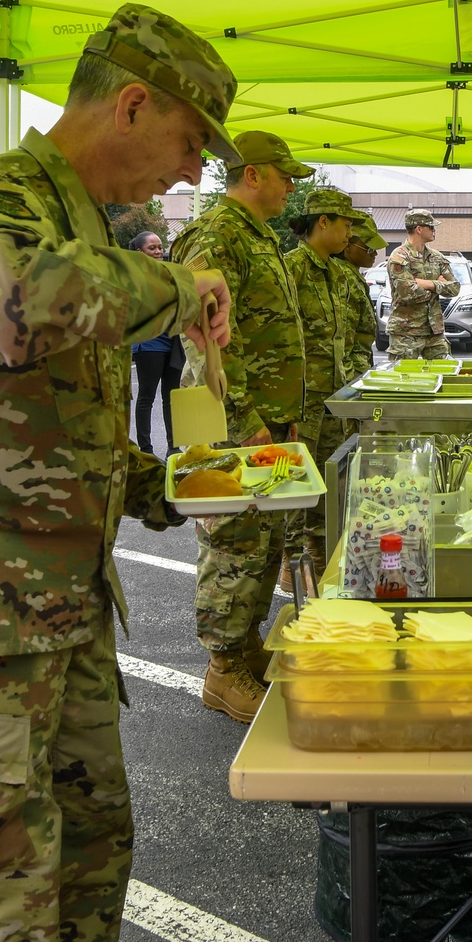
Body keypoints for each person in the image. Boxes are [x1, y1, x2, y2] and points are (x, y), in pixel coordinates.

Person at [0, 1, 237, 942]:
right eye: (191, 144)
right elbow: (16, 307)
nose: (192, 171)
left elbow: (59, 425)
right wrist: (184, 289)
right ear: (133, 105)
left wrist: (180, 481)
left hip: (64, 618)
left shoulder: (81, 223)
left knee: (88, 878)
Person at [171, 131, 312, 722]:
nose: (291, 188)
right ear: (252, 174)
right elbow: (200, 337)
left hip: (264, 420)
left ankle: (246, 646)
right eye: (284, 176)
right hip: (233, 420)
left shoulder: (255, 235)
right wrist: (246, 418)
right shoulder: (218, 234)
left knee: (263, 542)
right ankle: (222, 670)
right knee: (233, 543)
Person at [284, 187, 362, 575]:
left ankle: (319, 561)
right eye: (345, 224)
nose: (350, 233)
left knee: (329, 485)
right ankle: (289, 562)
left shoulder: (339, 274)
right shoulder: (291, 269)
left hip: (334, 395)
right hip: (302, 399)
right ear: (323, 222)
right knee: (296, 483)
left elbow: (349, 336)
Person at [130, 230, 186, 460]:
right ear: (138, 252)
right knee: (146, 397)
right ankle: (146, 449)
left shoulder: (169, 273)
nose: (158, 251)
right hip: (148, 345)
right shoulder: (133, 277)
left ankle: (174, 447)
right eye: (151, 248)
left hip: (172, 344)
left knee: (171, 397)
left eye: (160, 247)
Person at [386, 209, 460, 360]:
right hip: (406, 333)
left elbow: (454, 288)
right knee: (404, 378)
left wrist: (427, 284)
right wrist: (438, 285)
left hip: (434, 331)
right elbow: (408, 293)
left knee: (444, 374)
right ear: (419, 229)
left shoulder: (437, 257)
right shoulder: (399, 257)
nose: (434, 230)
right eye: (431, 227)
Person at [339, 209, 386, 380]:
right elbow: (343, 341)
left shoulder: (353, 275)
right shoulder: (343, 277)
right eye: (368, 248)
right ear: (348, 245)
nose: (374, 253)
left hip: (359, 370)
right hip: (350, 375)